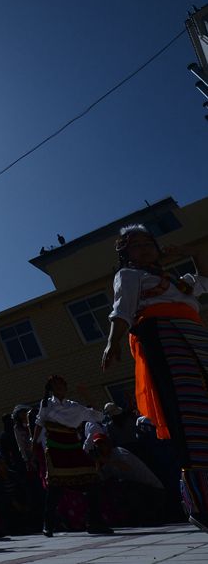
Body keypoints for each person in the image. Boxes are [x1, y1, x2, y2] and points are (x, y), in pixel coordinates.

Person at [102, 225, 208, 532]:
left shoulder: (178, 281)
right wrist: (113, 342)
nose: (146, 248)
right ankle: (201, 502)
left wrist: (193, 253)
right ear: (125, 254)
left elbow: (204, 281)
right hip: (164, 337)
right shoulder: (130, 276)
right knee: (188, 414)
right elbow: (122, 309)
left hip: (196, 338)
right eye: (137, 245)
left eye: (149, 242)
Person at [33, 375, 112, 537]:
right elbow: (39, 423)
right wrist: (34, 446)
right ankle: (48, 524)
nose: (60, 386)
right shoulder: (46, 404)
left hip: (74, 448)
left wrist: (86, 395)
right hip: (56, 449)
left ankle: (94, 522)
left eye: (62, 383)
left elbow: (98, 415)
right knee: (55, 489)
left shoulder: (74, 406)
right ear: (51, 388)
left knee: (93, 482)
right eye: (56, 384)